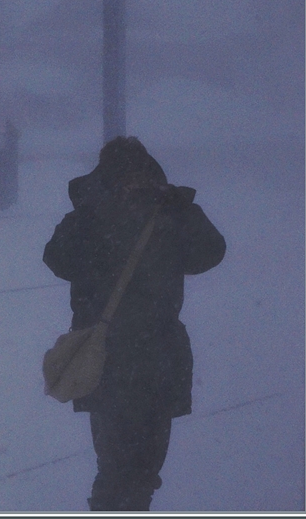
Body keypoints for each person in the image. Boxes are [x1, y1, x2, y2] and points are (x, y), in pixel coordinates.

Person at [43, 136, 226, 511]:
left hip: (120, 357)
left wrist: (175, 207)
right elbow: (209, 252)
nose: (132, 184)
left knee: (127, 467)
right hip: (140, 356)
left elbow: (210, 252)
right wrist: (175, 207)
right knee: (133, 467)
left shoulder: (154, 214)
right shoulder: (149, 215)